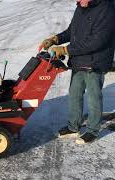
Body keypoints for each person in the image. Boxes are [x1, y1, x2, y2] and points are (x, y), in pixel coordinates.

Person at [40, 0, 115, 144]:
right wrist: (56, 39)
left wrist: (66, 50)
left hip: (95, 62)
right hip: (79, 60)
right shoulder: (81, 7)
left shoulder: (107, 9)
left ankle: (93, 130)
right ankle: (73, 127)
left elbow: (97, 41)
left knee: (94, 98)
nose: (78, 1)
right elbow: (71, 31)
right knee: (74, 95)